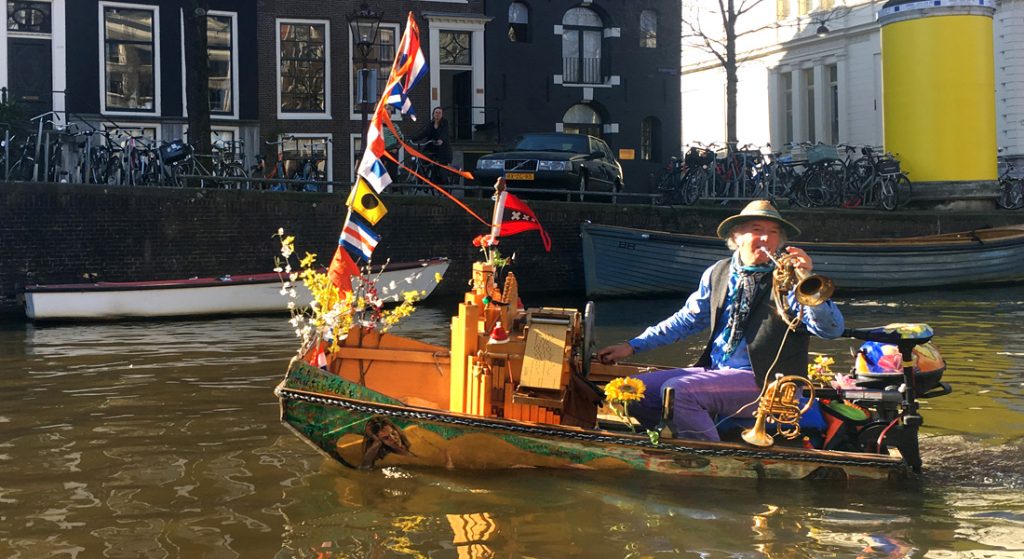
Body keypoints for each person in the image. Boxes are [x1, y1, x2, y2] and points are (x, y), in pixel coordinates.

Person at [596, 200, 844, 442]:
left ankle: (708, 456)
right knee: (629, 391)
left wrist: (809, 282)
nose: (766, 239)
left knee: (679, 391)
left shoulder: (789, 279)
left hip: (768, 382)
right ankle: (674, 441)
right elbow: (686, 321)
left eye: (773, 233)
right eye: (757, 230)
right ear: (737, 237)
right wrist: (632, 346)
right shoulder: (718, 272)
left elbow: (831, 331)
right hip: (718, 371)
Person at [410, 107, 452, 183]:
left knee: (441, 168)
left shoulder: (445, 123)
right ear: (433, 114)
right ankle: (420, 182)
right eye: (436, 112)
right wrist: (412, 139)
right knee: (421, 160)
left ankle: (444, 186)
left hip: (442, 149)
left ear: (442, 115)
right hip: (431, 148)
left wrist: (441, 140)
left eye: (439, 113)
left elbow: (445, 132)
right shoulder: (431, 124)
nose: (438, 114)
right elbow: (424, 133)